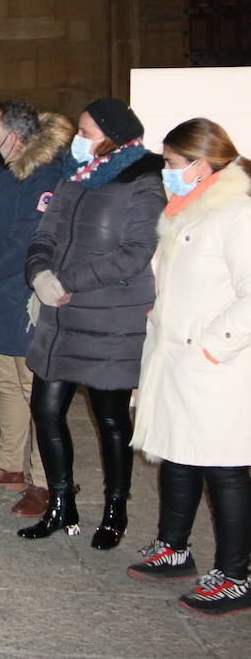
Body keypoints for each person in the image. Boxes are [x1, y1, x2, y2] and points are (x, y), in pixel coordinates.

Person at [18, 97, 163, 548]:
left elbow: (134, 253)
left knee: (112, 419)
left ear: (113, 136)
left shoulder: (143, 181)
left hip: (109, 319)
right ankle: (62, 503)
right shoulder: (73, 178)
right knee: (45, 410)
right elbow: (45, 234)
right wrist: (40, 274)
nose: (77, 140)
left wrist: (66, 281)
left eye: (86, 132)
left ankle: (115, 509)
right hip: (60, 317)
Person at [128, 118, 251, 617]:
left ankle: (235, 575)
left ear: (201, 166)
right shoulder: (184, 213)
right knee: (176, 455)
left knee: (224, 470)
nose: (166, 172)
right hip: (174, 360)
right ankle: (174, 547)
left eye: (172, 163)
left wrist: (211, 346)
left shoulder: (235, 214)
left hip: (214, 367)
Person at [0, 100, 73, 518]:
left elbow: (25, 241)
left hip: (24, 299)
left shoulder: (48, 177)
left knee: (35, 391)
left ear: (15, 137)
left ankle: (43, 480)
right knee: (6, 384)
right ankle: (8, 465)